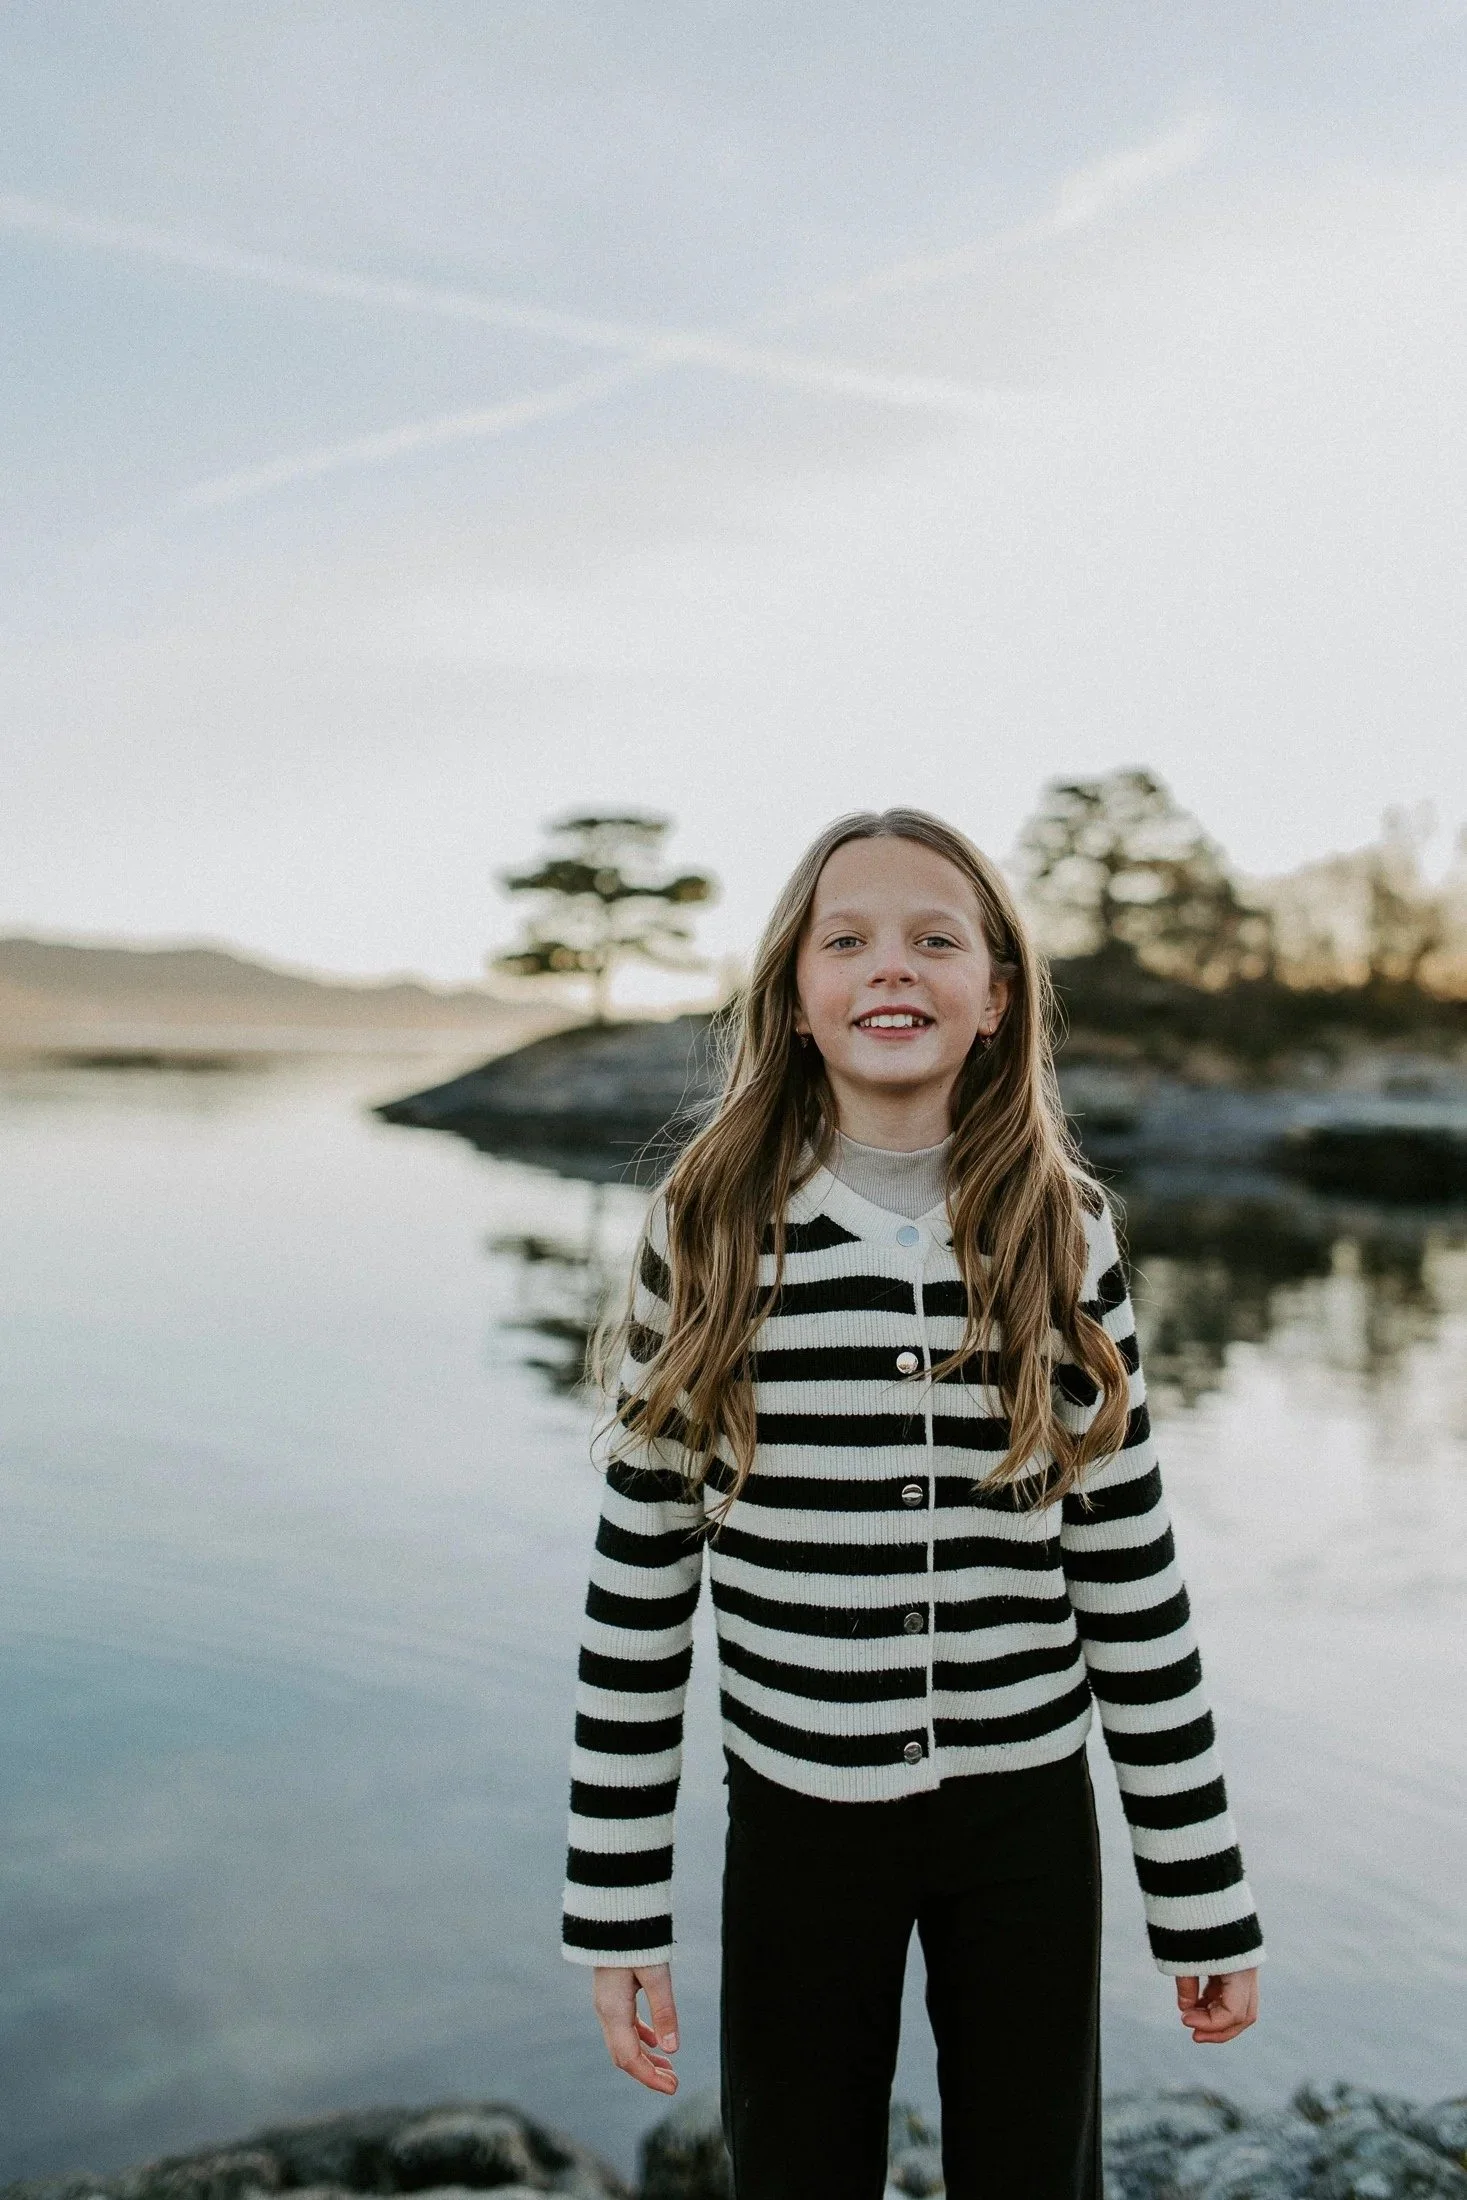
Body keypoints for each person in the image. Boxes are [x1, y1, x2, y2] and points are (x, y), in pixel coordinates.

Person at [561, 809, 1263, 2200]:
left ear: (995, 997)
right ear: (796, 998)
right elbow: (638, 1585)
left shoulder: (1063, 1229)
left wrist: (1197, 1895)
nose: (893, 966)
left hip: (1023, 1827)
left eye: (936, 938)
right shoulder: (706, 1227)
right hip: (794, 1820)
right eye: (848, 939)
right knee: (797, 2168)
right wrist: (615, 1909)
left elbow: (1129, 1574)